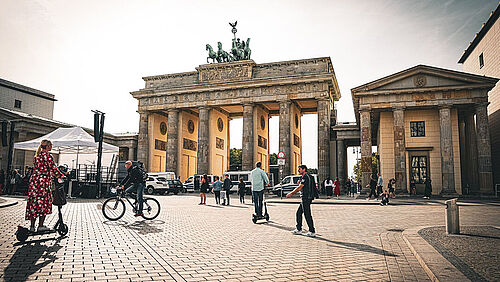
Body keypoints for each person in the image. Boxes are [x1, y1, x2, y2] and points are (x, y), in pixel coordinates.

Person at [25, 140, 66, 232]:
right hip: (43, 182)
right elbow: (53, 168)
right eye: (51, 145)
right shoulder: (48, 156)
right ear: (47, 146)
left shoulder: (37, 156)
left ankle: (32, 226)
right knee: (43, 202)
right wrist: (61, 176)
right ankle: (40, 226)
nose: (51, 146)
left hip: (34, 181)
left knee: (34, 202)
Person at [287, 164, 316, 237]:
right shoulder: (306, 176)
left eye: (299, 169)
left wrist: (291, 193)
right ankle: (299, 229)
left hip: (306, 197)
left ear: (304, 169)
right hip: (306, 198)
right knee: (299, 213)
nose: (298, 170)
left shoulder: (305, 177)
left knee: (307, 214)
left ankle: (312, 231)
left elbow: (300, 187)